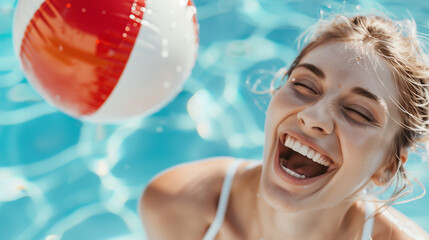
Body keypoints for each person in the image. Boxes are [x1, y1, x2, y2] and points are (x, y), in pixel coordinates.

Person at [139, 14, 429, 240]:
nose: (314, 117)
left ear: (388, 167)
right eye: (304, 85)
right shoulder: (179, 204)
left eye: (357, 112)